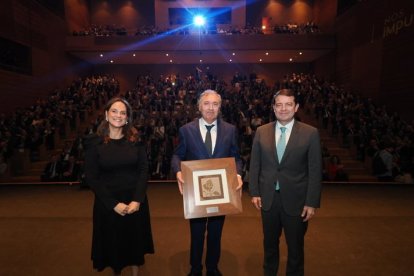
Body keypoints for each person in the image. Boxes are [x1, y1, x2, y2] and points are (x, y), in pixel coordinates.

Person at [249, 89, 322, 276]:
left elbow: (314, 170)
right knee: (270, 246)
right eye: (279, 104)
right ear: (273, 108)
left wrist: (311, 202)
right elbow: (255, 165)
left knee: (296, 250)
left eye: (288, 104)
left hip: (297, 202)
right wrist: (255, 192)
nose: (283, 109)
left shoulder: (310, 133)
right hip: (268, 200)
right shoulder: (261, 131)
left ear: (296, 107)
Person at [171, 90, 243, 276]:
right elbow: (177, 154)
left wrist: (239, 174)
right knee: (196, 234)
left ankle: (212, 268)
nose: (211, 108)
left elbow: (236, 158)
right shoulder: (186, 130)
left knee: (215, 234)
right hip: (196, 193)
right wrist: (178, 170)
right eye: (206, 103)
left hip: (222, 192)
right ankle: (195, 269)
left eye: (215, 104)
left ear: (220, 107)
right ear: (199, 106)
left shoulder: (230, 129)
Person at [83, 97, 154, 276]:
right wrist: (114, 204)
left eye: (123, 112)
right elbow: (92, 177)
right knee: (113, 245)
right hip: (108, 203)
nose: (118, 115)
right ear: (106, 114)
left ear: (127, 118)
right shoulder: (94, 142)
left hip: (134, 201)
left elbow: (144, 170)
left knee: (134, 244)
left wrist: (137, 200)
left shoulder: (135, 140)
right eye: (114, 111)